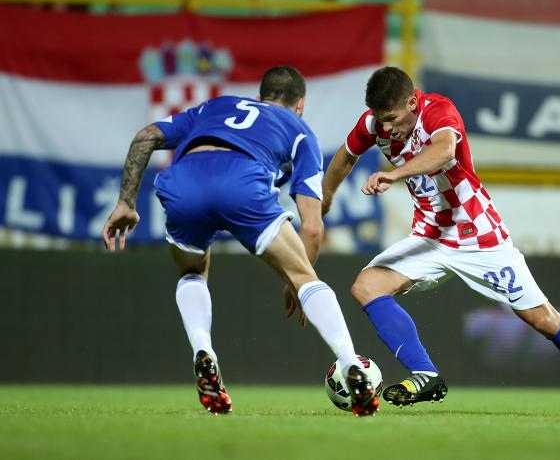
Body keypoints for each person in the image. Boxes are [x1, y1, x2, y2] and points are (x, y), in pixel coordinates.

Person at [321, 66, 560, 418]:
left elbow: (444, 152)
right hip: (430, 235)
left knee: (544, 320)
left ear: (411, 102)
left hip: (477, 233)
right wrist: (324, 201)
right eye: (379, 118)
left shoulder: (438, 111)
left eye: (391, 117)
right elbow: (345, 156)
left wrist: (394, 174)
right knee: (367, 285)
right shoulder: (373, 125)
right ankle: (425, 374)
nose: (386, 127)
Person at [102, 65, 379, 417]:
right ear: (301, 104)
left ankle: (203, 350)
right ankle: (349, 361)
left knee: (192, 273)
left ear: (260, 95)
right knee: (306, 279)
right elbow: (311, 227)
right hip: (241, 182)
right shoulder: (300, 132)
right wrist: (296, 278)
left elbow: (145, 137)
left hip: (184, 182)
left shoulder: (213, 107)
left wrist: (126, 202)